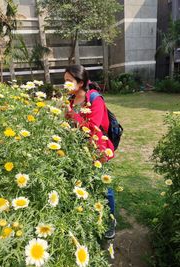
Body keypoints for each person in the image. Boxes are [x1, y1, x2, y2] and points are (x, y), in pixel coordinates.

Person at [64, 64, 116, 239]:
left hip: (96, 150)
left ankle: (110, 221)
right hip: (77, 150)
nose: (66, 84)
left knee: (103, 185)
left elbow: (93, 127)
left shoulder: (95, 99)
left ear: (80, 83)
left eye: (69, 81)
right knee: (84, 183)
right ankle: (92, 218)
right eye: (65, 81)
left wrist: (72, 115)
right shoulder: (71, 99)